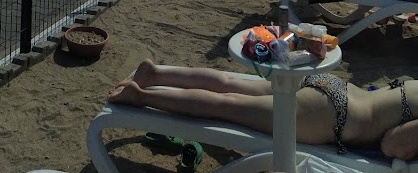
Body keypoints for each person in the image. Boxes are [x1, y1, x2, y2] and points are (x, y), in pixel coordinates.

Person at [109, 59, 418, 159]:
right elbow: (393, 145)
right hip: (334, 116)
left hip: (335, 90)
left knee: (230, 83)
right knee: (227, 106)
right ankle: (139, 97)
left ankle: (156, 74)